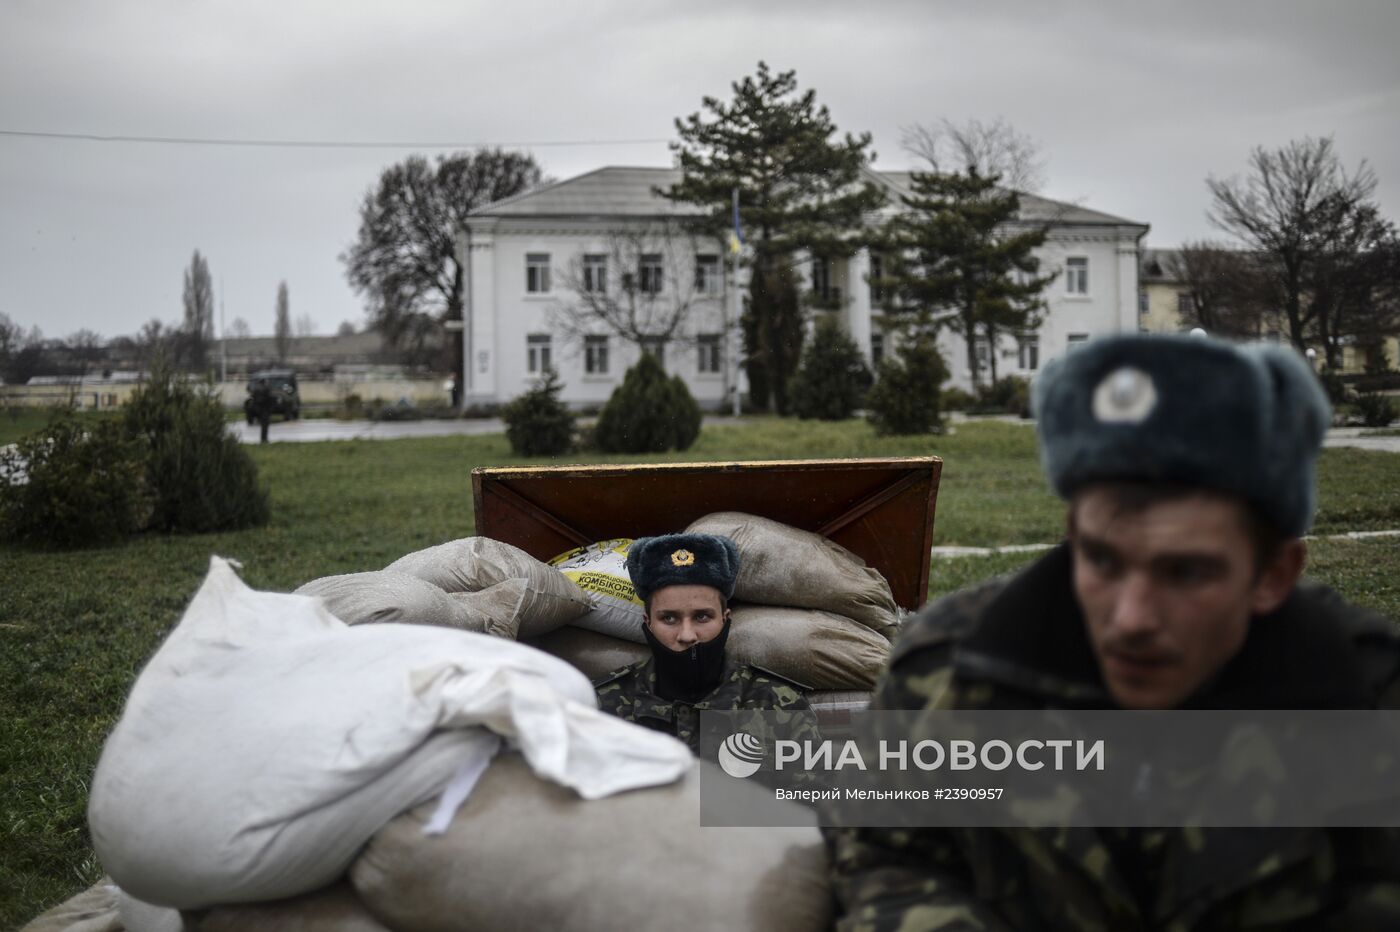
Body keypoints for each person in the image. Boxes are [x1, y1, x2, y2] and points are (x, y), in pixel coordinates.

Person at [827, 333, 1400, 930]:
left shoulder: (1369, 699)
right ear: (1074, 532)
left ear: (1273, 574)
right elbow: (885, 853)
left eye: (1185, 572)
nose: (1131, 619)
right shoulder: (944, 675)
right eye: (1103, 559)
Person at [594, 532, 817, 754]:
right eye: (669, 618)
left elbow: (810, 789)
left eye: (702, 617)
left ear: (725, 619)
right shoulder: (604, 704)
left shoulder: (776, 702)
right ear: (648, 623)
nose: (687, 635)